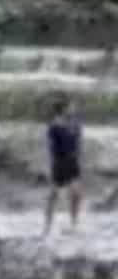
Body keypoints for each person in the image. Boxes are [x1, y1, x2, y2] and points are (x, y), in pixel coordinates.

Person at [45, 98, 84, 237]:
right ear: (63, 110)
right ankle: (48, 225)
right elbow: (54, 146)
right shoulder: (55, 126)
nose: (73, 109)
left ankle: (73, 224)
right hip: (60, 162)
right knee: (54, 194)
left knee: (76, 194)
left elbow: (77, 143)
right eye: (70, 107)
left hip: (71, 162)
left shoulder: (73, 124)